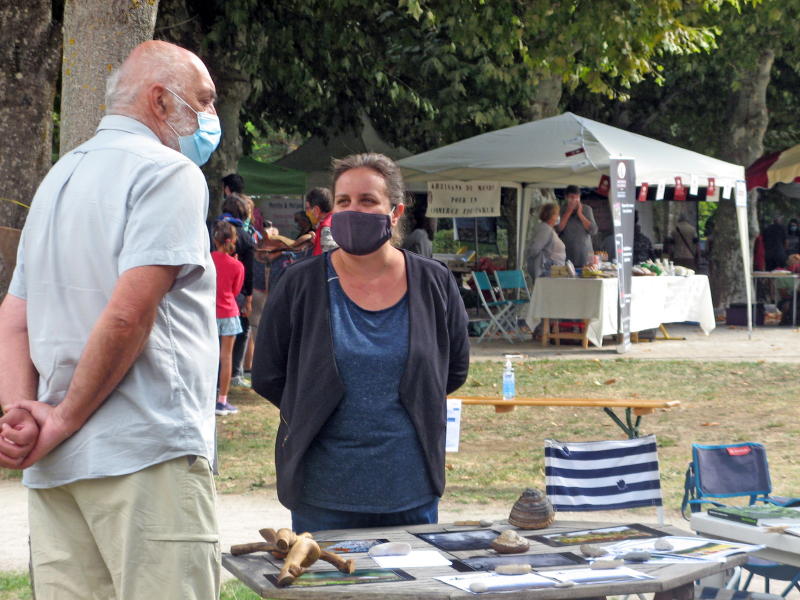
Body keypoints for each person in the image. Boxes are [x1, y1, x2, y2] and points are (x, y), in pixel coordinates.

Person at [0, 40, 221, 599]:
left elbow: (12, 321)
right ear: (160, 100)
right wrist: (62, 418)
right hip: (146, 450)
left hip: (59, 464)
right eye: (204, 100)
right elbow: (129, 314)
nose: (209, 118)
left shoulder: (58, 178)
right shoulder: (169, 172)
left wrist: (23, 416)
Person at [252, 153, 470, 533]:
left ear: (395, 211)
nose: (354, 210)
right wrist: (312, 403)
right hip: (322, 494)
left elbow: (451, 370)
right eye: (343, 202)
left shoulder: (434, 282)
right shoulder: (299, 284)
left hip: (411, 490)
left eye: (368, 201)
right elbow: (269, 375)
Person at [216, 194, 255, 387]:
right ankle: (235, 373)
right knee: (241, 331)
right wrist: (248, 297)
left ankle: (214, 379)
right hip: (235, 296)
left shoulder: (210, 230)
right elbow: (249, 272)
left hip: (210, 294)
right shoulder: (247, 237)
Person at [212, 220, 244, 416]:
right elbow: (236, 291)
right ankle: (222, 400)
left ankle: (205, 396)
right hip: (229, 313)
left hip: (209, 313)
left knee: (208, 356)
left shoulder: (207, 260)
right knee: (226, 358)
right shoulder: (237, 265)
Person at [557, 185, 598, 268]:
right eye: (572, 197)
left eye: (577, 197)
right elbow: (558, 230)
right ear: (566, 197)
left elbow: (593, 231)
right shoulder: (561, 210)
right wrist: (568, 212)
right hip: (567, 254)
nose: (575, 200)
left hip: (585, 254)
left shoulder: (586, 209)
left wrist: (580, 214)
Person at [526, 203, 566, 280]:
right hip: (548, 271)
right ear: (551, 215)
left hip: (553, 270)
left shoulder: (548, 229)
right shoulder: (545, 229)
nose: (558, 217)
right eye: (556, 214)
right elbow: (535, 249)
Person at [304, 187, 338, 255]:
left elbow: (329, 258)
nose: (307, 213)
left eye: (308, 208)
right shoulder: (333, 221)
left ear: (316, 210)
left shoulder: (326, 228)